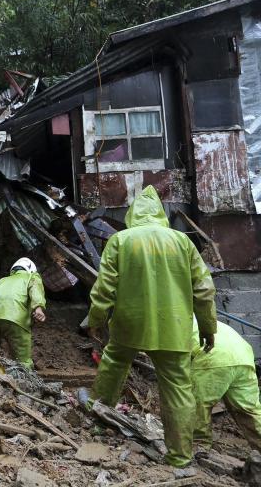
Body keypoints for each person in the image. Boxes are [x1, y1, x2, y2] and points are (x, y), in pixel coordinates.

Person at [87, 186, 217, 468]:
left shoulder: (120, 240)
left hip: (129, 325)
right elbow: (204, 289)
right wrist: (208, 327)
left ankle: (95, 420)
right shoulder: (182, 241)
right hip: (175, 328)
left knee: (114, 364)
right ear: (160, 213)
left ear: (133, 214)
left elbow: (104, 287)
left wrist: (96, 321)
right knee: (178, 389)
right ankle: (180, 457)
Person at [191, 320, 261, 452]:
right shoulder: (207, 319)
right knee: (251, 411)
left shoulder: (179, 321)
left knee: (197, 403)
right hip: (244, 357)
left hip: (214, 356)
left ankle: (199, 445)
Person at [0, 257, 47, 369]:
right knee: (22, 358)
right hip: (15, 317)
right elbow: (35, 291)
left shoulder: (2, 280)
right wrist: (38, 308)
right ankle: (26, 379)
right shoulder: (32, 277)